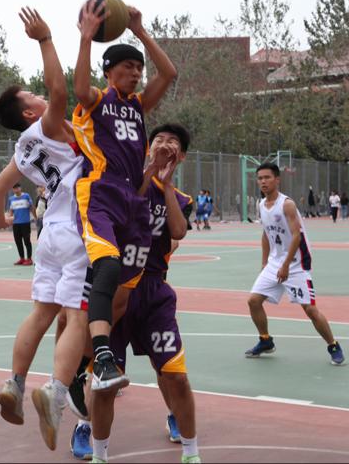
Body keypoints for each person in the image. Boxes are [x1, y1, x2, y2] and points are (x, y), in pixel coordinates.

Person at [0, 7, 90, 450]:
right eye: (33, 94)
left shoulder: (22, 148)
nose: (42, 95)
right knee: (78, 316)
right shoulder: (47, 125)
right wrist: (46, 40)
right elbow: (60, 89)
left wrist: (0, 221)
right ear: (30, 110)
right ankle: (57, 392)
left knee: (42, 313)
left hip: (47, 235)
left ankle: (14, 384)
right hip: (75, 231)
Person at [72, 0, 178, 395]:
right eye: (128, 67)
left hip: (133, 203)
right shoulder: (97, 101)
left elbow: (169, 73)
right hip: (100, 194)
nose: (136, 73)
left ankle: (78, 371)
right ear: (109, 71)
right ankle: (101, 360)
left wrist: (139, 30)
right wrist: (86, 38)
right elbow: (79, 87)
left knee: (120, 297)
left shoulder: (138, 106)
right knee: (108, 267)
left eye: (138, 68)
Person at [92, 124, 200, 464]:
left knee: (175, 375)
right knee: (104, 380)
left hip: (153, 292)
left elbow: (178, 231)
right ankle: (93, 446)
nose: (165, 144)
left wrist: (164, 184)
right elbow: (125, 213)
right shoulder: (122, 183)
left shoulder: (180, 198)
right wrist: (149, 172)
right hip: (117, 287)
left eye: (172, 142)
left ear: (181, 155)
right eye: (159, 140)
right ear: (147, 148)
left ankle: (191, 453)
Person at [245, 163, 345, 366]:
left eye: (267, 177)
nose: (263, 181)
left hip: (297, 264)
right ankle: (265, 340)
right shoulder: (261, 205)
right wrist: (265, 262)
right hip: (275, 263)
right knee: (253, 301)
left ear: (277, 180)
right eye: (260, 178)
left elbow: (296, 236)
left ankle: (333, 345)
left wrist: (286, 266)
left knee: (310, 310)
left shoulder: (287, 204)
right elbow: (266, 234)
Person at [8, 183, 35, 265]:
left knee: (27, 241)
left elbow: (31, 207)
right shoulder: (11, 199)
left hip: (25, 223)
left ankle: (29, 259)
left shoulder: (26, 196)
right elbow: (11, 211)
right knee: (18, 241)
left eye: (17, 187)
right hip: (16, 224)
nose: (16, 189)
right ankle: (22, 258)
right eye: (14, 188)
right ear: (12, 189)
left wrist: (35, 217)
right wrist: (10, 220)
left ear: (20, 188)